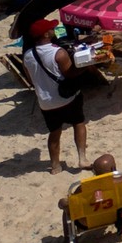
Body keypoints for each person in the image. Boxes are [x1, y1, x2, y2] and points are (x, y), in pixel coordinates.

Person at [23, 30, 89, 174]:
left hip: (46, 102)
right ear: (46, 34)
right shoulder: (59, 52)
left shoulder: (27, 55)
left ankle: (55, 166)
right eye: (51, 29)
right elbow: (70, 73)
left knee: (54, 132)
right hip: (67, 98)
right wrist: (86, 67)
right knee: (78, 123)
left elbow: (30, 80)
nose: (53, 30)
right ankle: (82, 158)